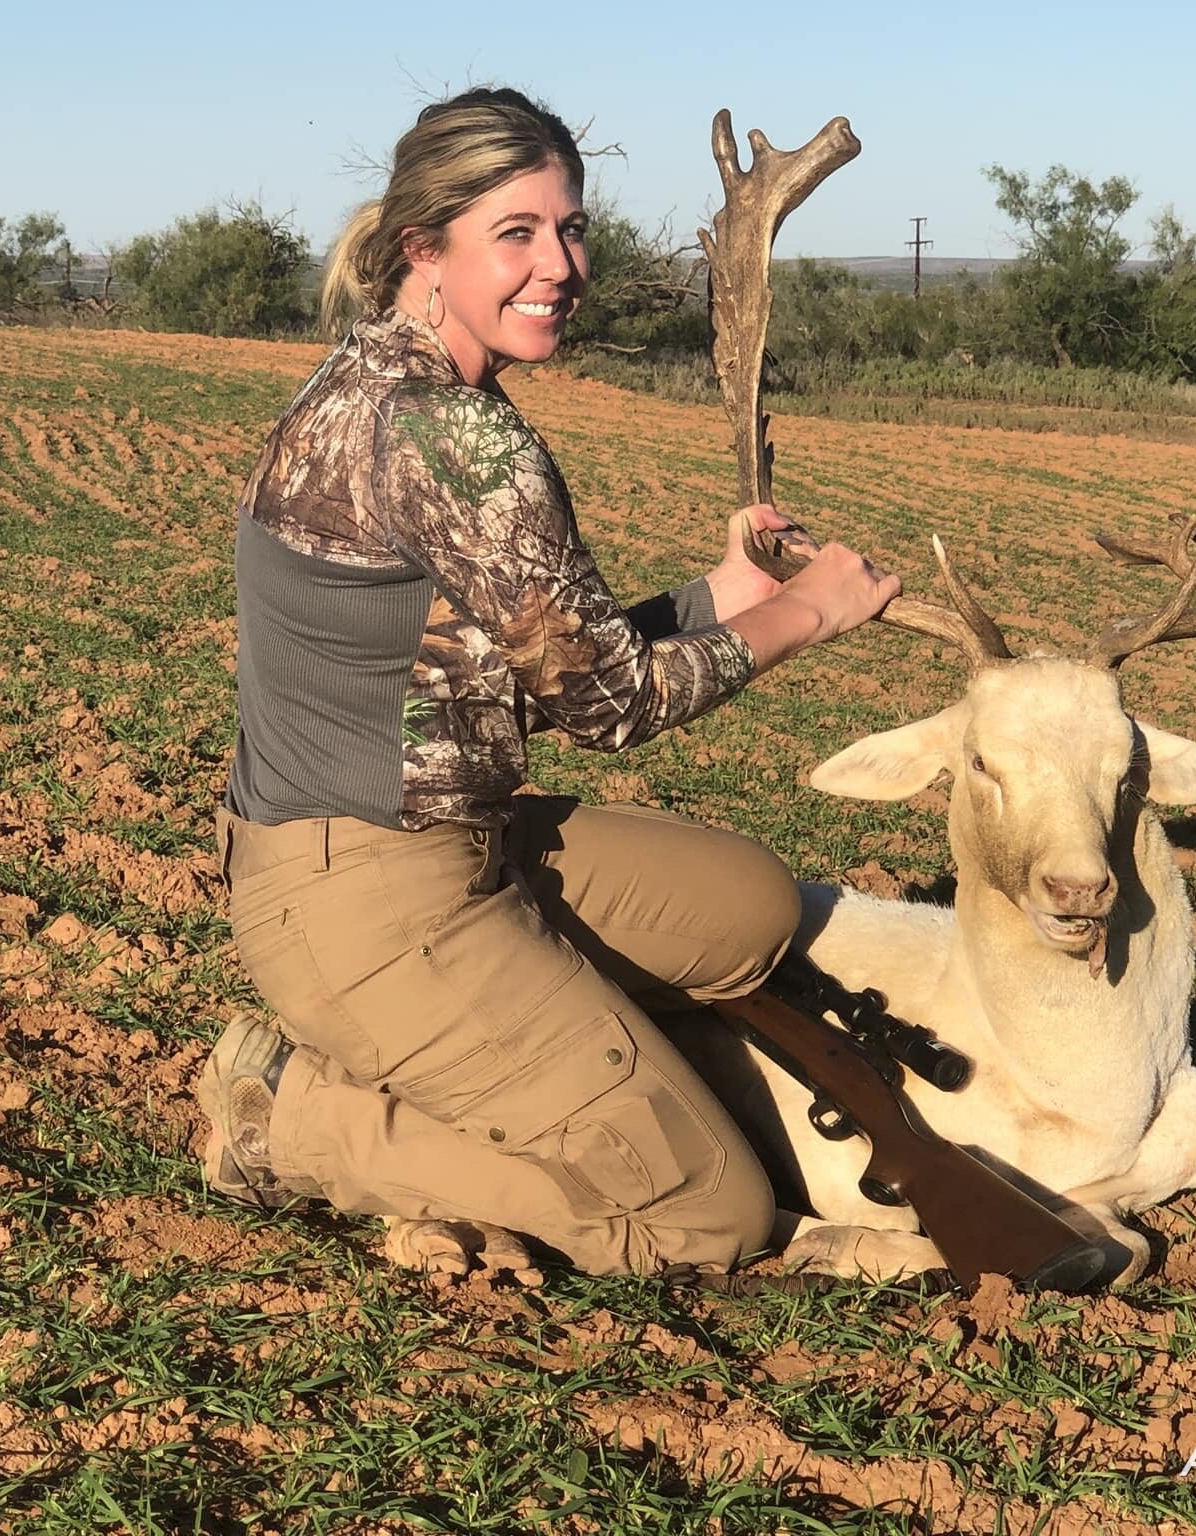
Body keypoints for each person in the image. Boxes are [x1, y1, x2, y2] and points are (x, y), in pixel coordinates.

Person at [198, 86, 900, 1277]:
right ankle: (297, 1116)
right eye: (515, 233)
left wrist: (719, 594)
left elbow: (515, 663)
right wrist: (804, 613)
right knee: (705, 1219)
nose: (559, 264)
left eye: (569, 228)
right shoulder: (457, 438)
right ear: (424, 248)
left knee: (747, 910)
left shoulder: (361, 390)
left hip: (395, 844)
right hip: (369, 897)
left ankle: (569, 1064)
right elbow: (610, 707)